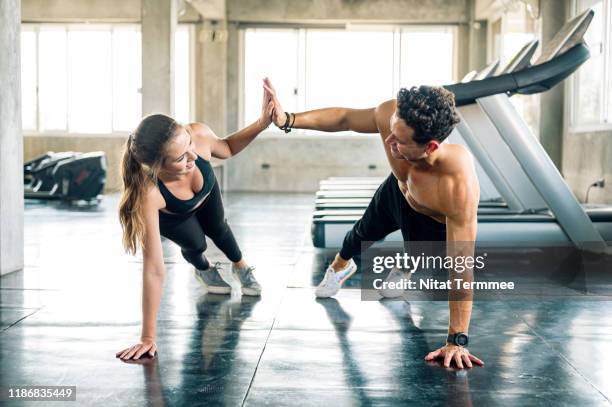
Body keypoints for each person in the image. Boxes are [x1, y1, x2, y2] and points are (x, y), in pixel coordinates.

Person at [264, 78, 484, 369]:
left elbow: (461, 264)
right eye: (391, 132)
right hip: (398, 190)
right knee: (359, 234)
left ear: (431, 146)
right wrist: (287, 119)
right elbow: (344, 118)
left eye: (400, 141)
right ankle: (341, 266)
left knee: (420, 255)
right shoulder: (392, 114)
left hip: (431, 218)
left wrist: (457, 339)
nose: (389, 142)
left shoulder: (456, 184)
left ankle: (406, 265)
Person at [115, 80, 275, 361]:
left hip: (206, 191)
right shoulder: (149, 195)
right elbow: (153, 268)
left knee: (219, 228)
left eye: (190, 146)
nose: (193, 156)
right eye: (180, 159)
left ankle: (242, 266)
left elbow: (225, 147)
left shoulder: (198, 135)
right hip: (175, 215)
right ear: (156, 167)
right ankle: (204, 269)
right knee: (196, 244)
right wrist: (148, 337)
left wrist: (262, 123)